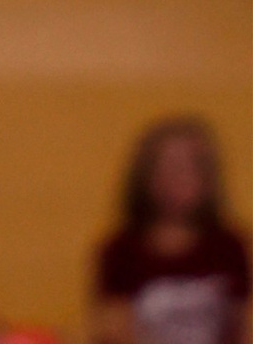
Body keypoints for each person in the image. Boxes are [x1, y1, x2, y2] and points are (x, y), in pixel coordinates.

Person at [89, 116, 247, 344]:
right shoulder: (122, 250)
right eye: (167, 168)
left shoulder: (228, 246)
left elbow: (244, 324)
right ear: (145, 177)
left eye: (190, 168)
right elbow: (114, 330)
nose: (177, 179)